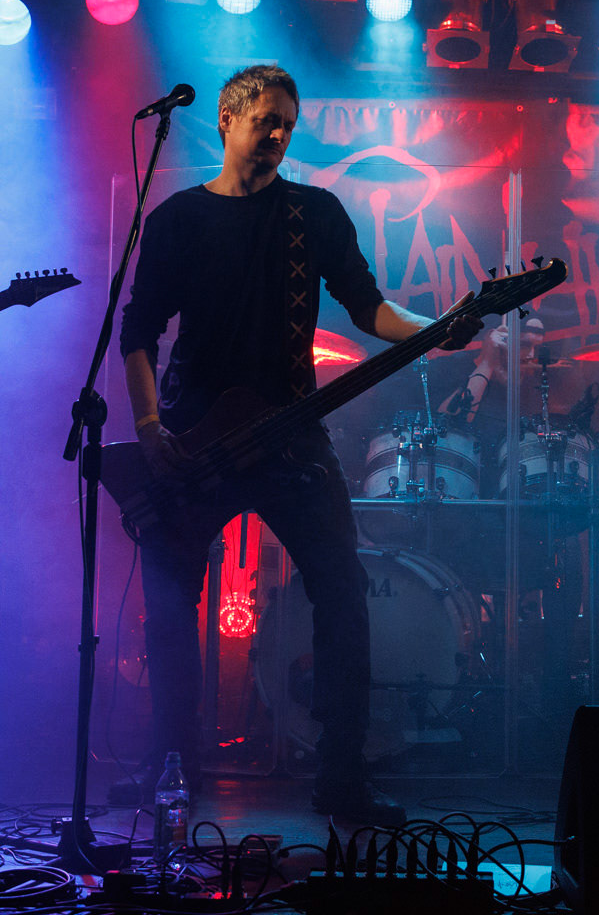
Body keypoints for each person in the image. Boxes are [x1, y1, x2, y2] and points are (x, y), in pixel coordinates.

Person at [116, 64, 479, 826]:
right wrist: (150, 431)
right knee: (169, 604)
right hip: (192, 437)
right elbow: (138, 333)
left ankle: (341, 777)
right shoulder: (178, 217)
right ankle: (168, 763)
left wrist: (437, 330)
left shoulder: (312, 214)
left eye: (289, 122)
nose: (279, 134)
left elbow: (368, 308)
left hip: (289, 433)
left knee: (343, 593)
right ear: (226, 119)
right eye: (266, 119)